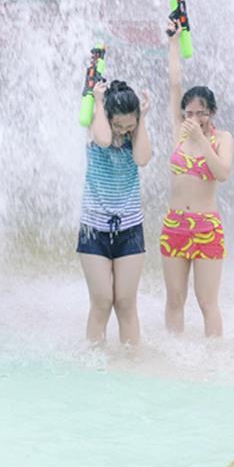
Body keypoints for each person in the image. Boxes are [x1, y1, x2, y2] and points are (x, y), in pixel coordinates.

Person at [161, 17, 234, 338]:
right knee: (175, 300)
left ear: (211, 113)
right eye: (188, 113)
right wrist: (173, 43)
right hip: (175, 224)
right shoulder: (178, 131)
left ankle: (214, 359)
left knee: (207, 302)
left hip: (206, 227)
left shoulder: (222, 138)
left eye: (200, 112)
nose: (194, 118)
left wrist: (203, 141)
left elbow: (223, 173)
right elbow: (174, 84)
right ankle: (174, 353)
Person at [77, 78, 153, 347]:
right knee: (101, 302)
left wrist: (141, 122)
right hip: (93, 230)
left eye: (128, 127)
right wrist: (99, 102)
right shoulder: (95, 124)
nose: (122, 132)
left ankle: (131, 362)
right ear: (107, 117)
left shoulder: (135, 135)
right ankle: (94, 362)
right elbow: (104, 139)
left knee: (125, 303)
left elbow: (142, 159)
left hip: (130, 229)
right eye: (118, 125)